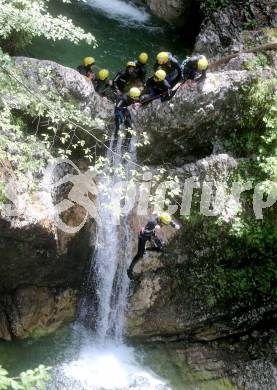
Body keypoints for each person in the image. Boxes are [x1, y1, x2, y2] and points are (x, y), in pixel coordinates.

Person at [127, 213, 180, 280]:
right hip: (143, 236)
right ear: (161, 221)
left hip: (151, 233)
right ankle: (129, 270)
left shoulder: (163, 218)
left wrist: (175, 225)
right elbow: (145, 232)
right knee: (140, 254)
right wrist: (154, 230)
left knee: (160, 245)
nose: (165, 225)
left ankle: (147, 249)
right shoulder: (153, 222)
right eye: (164, 224)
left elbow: (169, 222)